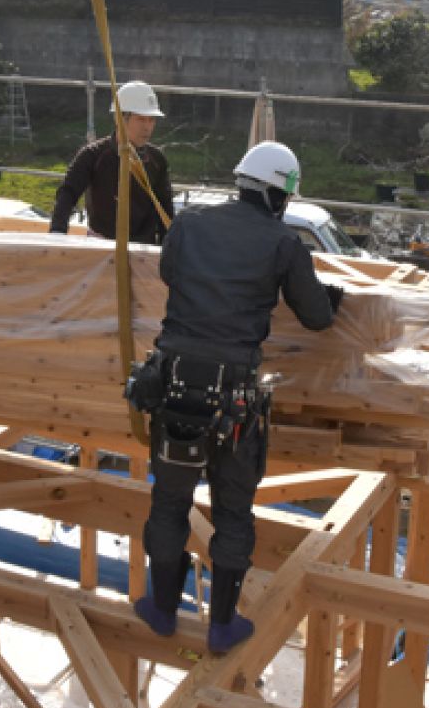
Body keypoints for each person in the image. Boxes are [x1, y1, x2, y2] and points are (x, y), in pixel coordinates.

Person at [129, 141, 342, 653]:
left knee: (170, 501)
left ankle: (161, 608)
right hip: (233, 403)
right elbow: (317, 317)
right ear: (278, 195)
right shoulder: (283, 244)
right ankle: (221, 624)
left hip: (174, 388)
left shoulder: (187, 225)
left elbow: (170, 275)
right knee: (232, 510)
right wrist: (330, 296)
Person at [48, 80, 175, 244]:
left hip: (143, 250)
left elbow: (165, 208)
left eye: (151, 120)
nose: (147, 127)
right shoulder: (93, 156)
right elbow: (68, 193)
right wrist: (57, 232)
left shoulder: (156, 160)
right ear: (119, 118)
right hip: (101, 248)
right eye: (141, 119)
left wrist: (168, 248)